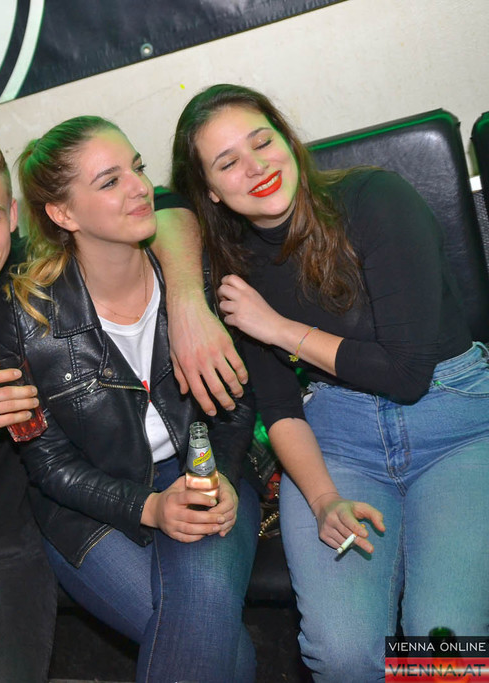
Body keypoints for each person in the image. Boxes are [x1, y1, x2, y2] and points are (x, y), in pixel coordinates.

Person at [0, 132, 246, 682]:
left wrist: (189, 298)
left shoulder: (32, 283)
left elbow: (166, 212)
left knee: (205, 633)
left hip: (15, 530)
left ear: (13, 217)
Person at [170, 83, 489, 681]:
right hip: (338, 440)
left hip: (455, 423)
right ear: (210, 190)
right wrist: (322, 499)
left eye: (261, 141)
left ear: (287, 140)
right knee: (343, 655)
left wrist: (276, 328)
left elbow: (406, 373)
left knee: (442, 654)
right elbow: (280, 406)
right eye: (227, 163)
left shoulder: (376, 198)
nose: (255, 167)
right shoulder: (236, 264)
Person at [0, 115, 260, 683]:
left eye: (137, 167)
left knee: (203, 627)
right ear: (63, 214)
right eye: (110, 181)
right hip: (89, 507)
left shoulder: (190, 273)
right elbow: (47, 464)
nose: (140, 186)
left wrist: (224, 476)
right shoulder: (25, 317)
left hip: (204, 470)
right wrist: (150, 508)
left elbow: (237, 401)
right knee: (217, 646)